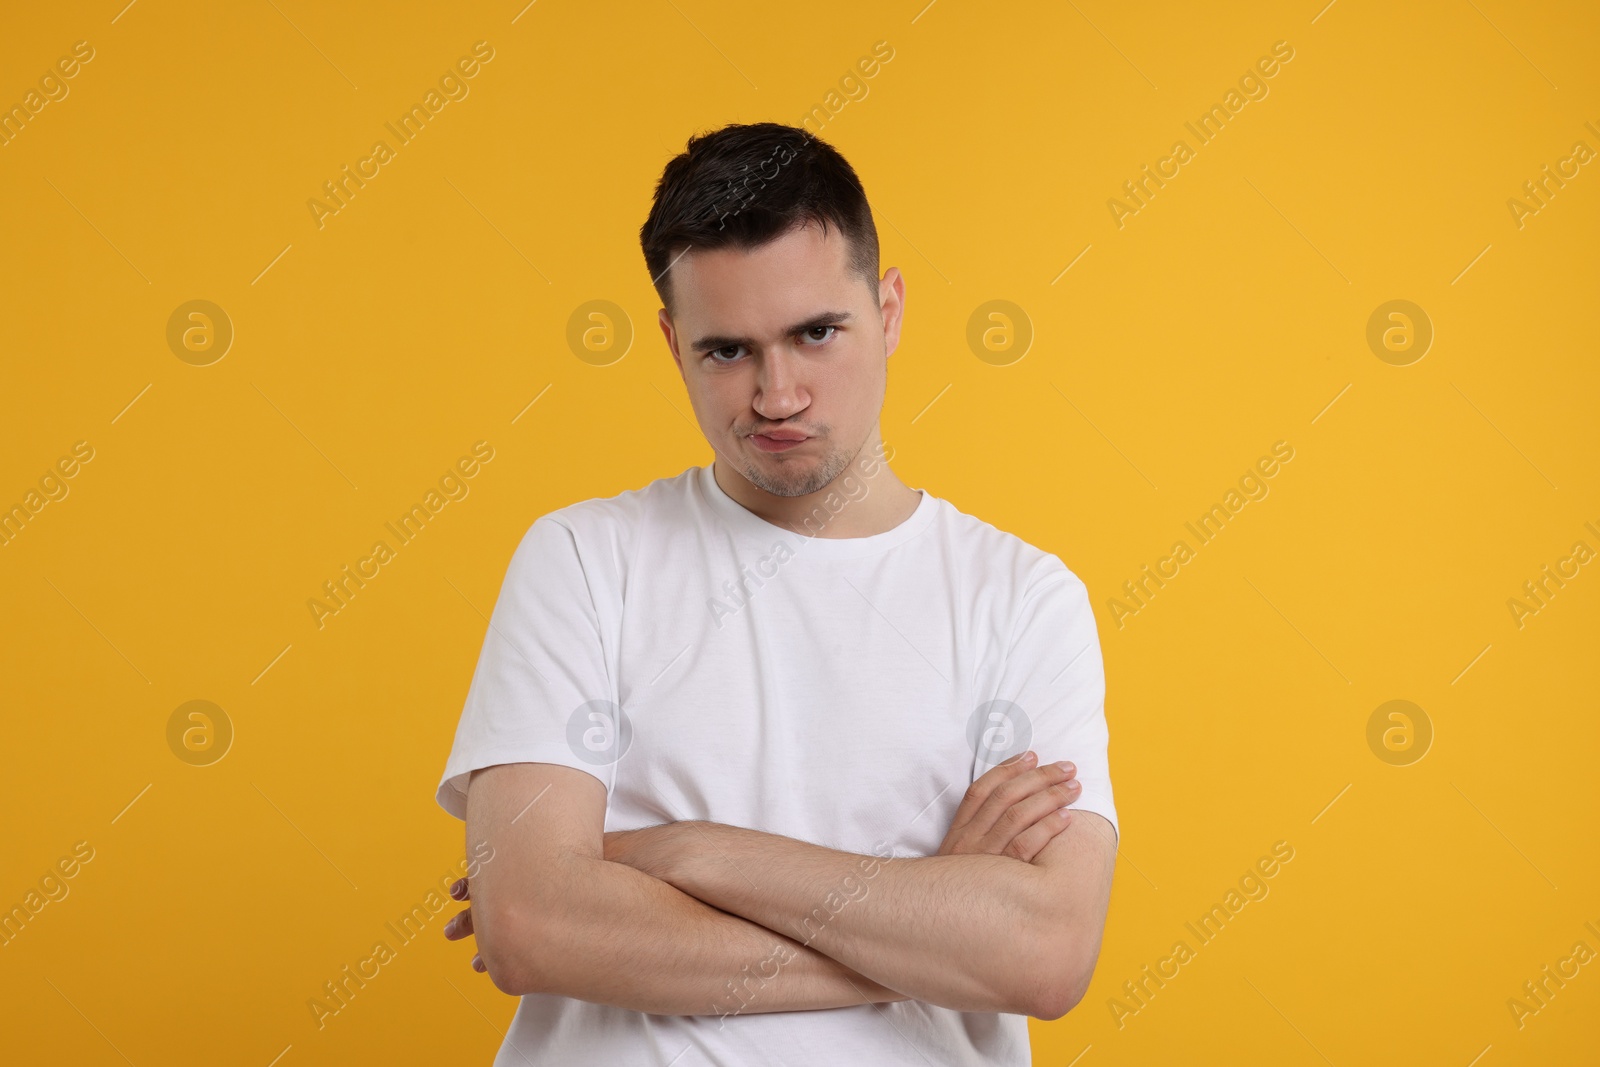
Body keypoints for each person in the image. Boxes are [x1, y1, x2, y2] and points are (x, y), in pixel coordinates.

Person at [434, 121, 1119, 1065]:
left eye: (816, 333)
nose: (777, 394)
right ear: (674, 345)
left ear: (889, 310)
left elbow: (1043, 954)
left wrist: (696, 851)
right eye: (727, 351)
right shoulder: (584, 560)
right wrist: (932, 918)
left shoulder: (1024, 599)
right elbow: (532, 926)